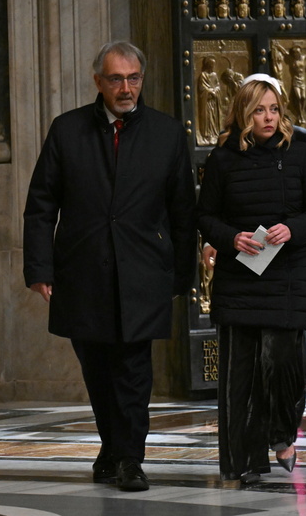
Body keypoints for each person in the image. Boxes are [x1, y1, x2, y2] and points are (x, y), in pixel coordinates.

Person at [23, 41, 197, 492]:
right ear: (98, 81)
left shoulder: (167, 134)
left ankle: (130, 459)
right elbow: (41, 204)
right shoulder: (67, 130)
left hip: (143, 273)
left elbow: (183, 212)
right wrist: (41, 269)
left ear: (142, 79)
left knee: (133, 370)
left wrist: (181, 274)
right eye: (116, 78)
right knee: (97, 367)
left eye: (133, 78)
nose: (126, 88)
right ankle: (112, 447)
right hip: (82, 272)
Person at [197, 73, 306, 485]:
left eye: (274, 109)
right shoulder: (222, 159)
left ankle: (282, 434)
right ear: (243, 113)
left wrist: (293, 229)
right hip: (241, 278)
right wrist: (229, 237)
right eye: (259, 110)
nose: (268, 117)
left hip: (287, 277)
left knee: (283, 368)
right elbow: (205, 217)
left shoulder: (303, 153)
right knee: (241, 377)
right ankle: (243, 462)